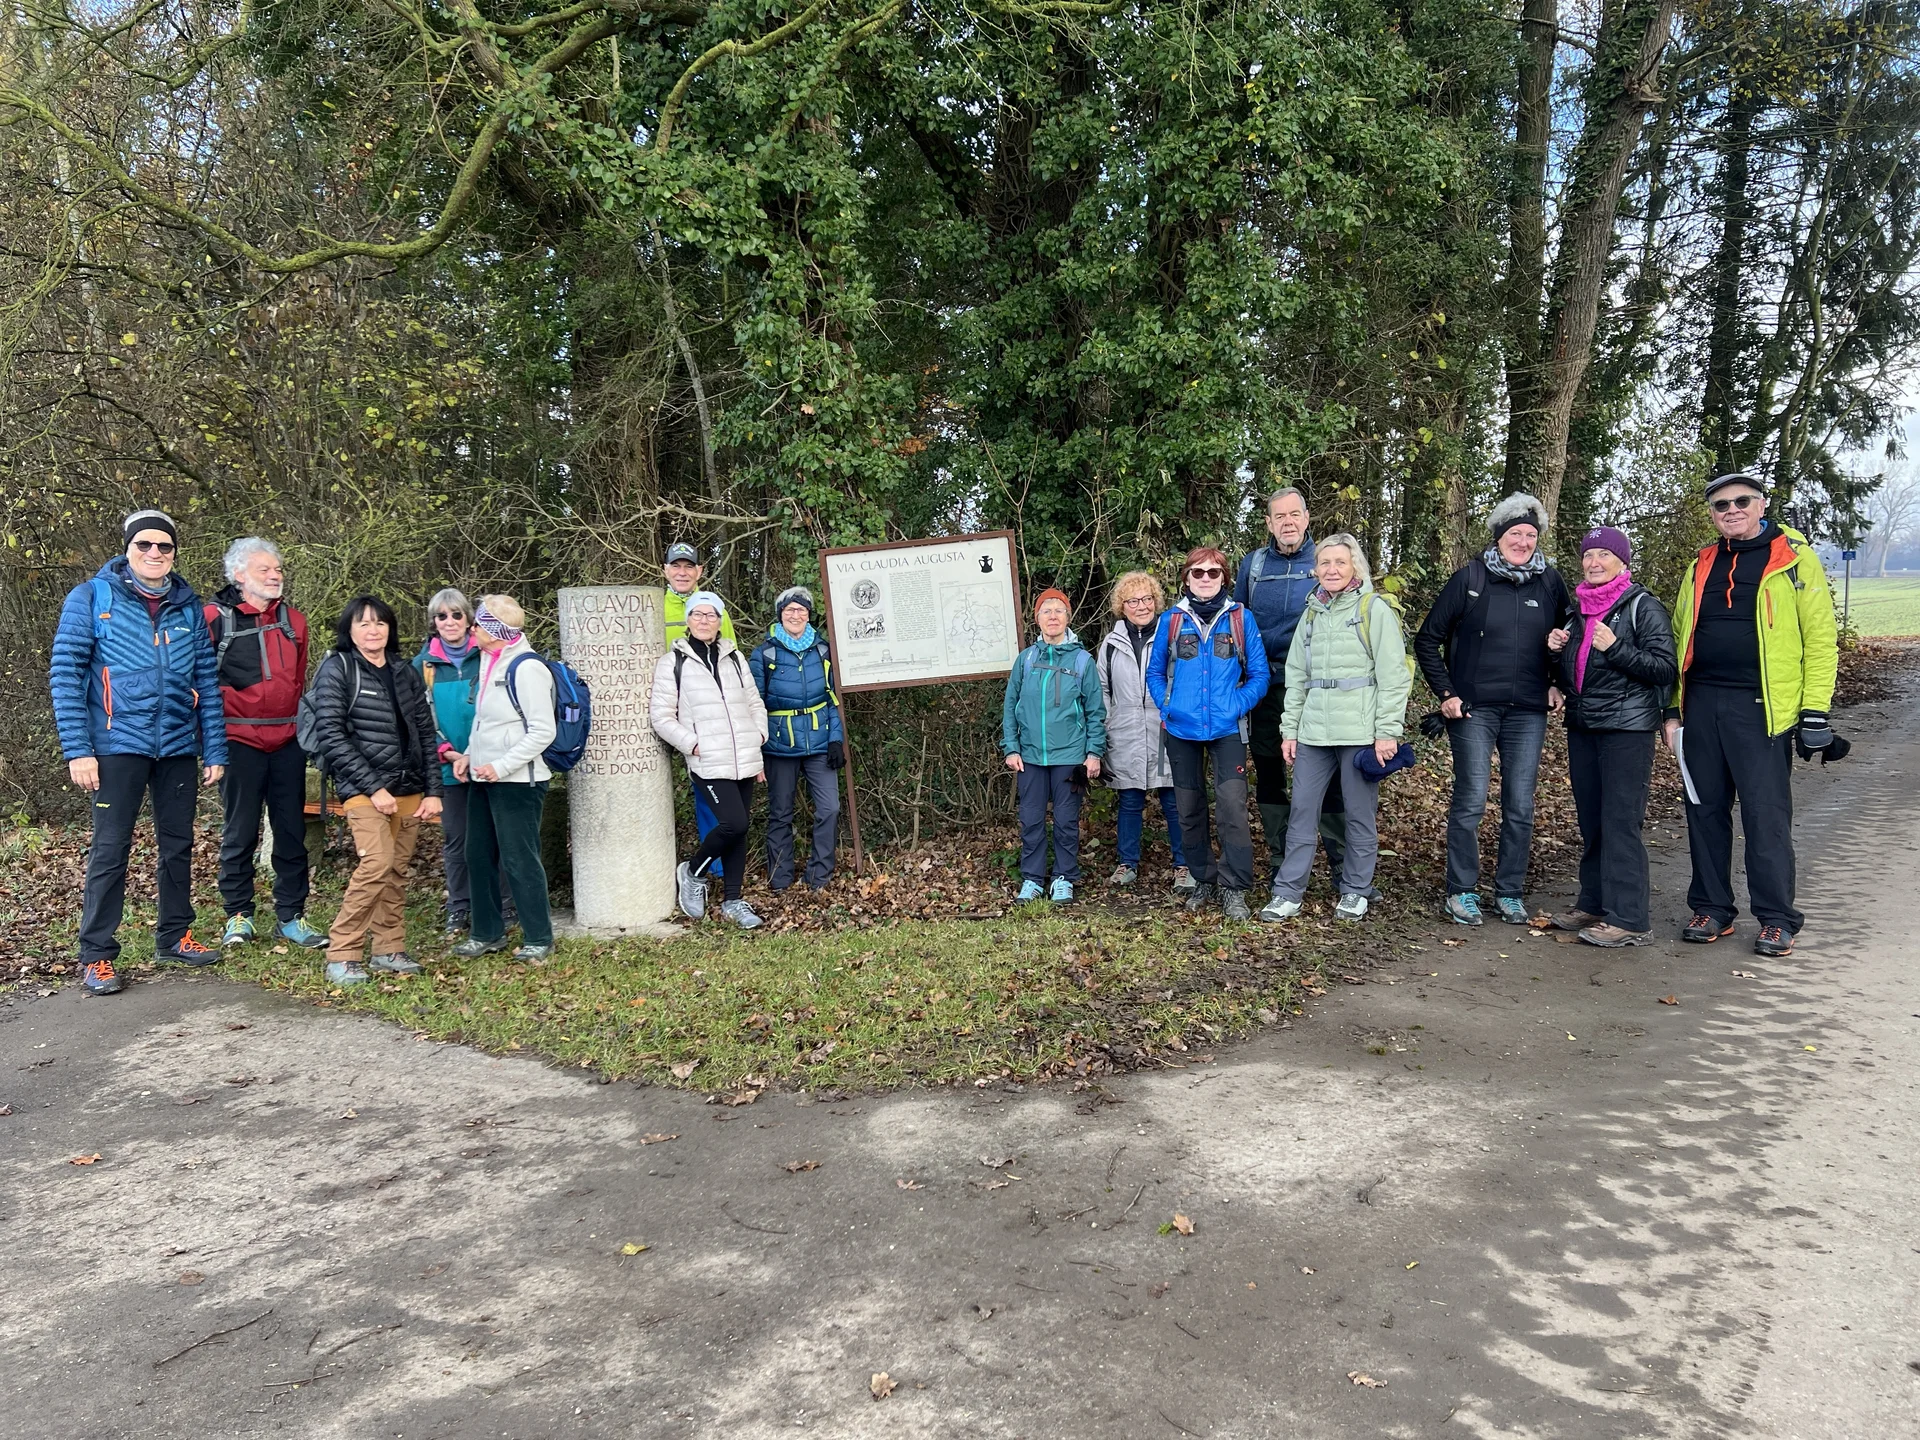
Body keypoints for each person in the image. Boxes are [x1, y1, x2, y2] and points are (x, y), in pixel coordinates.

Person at [50, 510, 228, 994]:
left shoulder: (189, 606)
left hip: (175, 745)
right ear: (128, 548)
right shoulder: (90, 597)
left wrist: (213, 747)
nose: (154, 554)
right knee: (110, 850)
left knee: (179, 845)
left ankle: (174, 935)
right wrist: (78, 750)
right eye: (145, 545)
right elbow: (66, 676)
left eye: (164, 547)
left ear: (174, 553)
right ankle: (97, 956)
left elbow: (206, 683)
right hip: (113, 745)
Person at [1664, 473, 1839, 957]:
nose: (1732, 510)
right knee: (1704, 812)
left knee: (1766, 817)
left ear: (1761, 504)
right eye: (1721, 505)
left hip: (1762, 710)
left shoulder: (1795, 561)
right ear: (1712, 514)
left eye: (1742, 501)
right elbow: (1680, 635)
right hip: (1701, 706)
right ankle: (1712, 908)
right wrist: (1673, 708)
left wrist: (1815, 712)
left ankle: (1778, 918)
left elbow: (1820, 642)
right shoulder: (1701, 563)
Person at [1414, 492, 1571, 926]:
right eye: (1514, 534)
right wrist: (1445, 693)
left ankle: (1510, 891)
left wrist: (1557, 683)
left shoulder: (1550, 582)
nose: (1522, 541)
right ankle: (1461, 891)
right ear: (1499, 537)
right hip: (1474, 710)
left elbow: (1568, 638)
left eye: (1530, 535)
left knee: (1520, 804)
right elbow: (1427, 639)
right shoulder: (1471, 578)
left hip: (1528, 713)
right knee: (1471, 801)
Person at [1264, 535, 1411, 921]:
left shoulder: (1372, 609)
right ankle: (1287, 892)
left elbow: (1393, 676)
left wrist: (1387, 731)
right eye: (1324, 562)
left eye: (1339, 563)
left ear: (1354, 568)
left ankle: (1355, 889)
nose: (1331, 569)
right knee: (1301, 811)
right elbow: (1296, 676)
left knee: (1358, 814)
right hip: (1314, 732)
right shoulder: (1311, 613)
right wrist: (1290, 730)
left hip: (1360, 732)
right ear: (1316, 568)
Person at [1544, 527, 1678, 947]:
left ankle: (1630, 919)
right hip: (1584, 727)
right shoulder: (1577, 611)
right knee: (1593, 821)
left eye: (1604, 554)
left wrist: (1616, 646)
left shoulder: (1642, 606)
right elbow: (1576, 673)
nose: (1594, 562)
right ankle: (1594, 902)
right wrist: (1554, 654)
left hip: (1627, 729)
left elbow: (1664, 670)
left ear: (1623, 562)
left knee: (1621, 823)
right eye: (1588, 555)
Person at [307, 596, 441, 984]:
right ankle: (343, 951)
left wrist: (433, 790)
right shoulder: (338, 669)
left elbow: (425, 735)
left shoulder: (404, 672)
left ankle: (389, 949)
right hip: (364, 789)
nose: (373, 630)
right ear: (349, 629)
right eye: (364, 623)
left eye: (380, 623)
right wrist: (373, 787)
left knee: (396, 870)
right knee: (376, 863)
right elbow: (330, 735)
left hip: (409, 788)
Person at [206, 537, 328, 951]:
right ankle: (238, 915)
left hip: (288, 741)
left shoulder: (295, 621)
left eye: (278, 569)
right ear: (239, 576)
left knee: (291, 831)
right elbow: (197, 686)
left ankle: (291, 915)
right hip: (237, 740)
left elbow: (299, 683)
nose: (275, 575)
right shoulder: (212, 618)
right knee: (239, 832)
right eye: (264, 570)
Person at [1145, 547, 1271, 921]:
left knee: (1232, 809)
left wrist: (1235, 705)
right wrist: (1167, 706)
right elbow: (1154, 673)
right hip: (1181, 729)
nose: (1205, 578)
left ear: (1224, 578)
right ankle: (1203, 879)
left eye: (1213, 573)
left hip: (1227, 729)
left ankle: (1234, 889)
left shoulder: (1239, 619)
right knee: (1189, 809)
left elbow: (1260, 675)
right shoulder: (1171, 620)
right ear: (1186, 578)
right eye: (1197, 572)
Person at [1233, 486, 1345, 882]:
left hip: (1316, 687)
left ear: (1307, 518)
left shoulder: (1326, 562)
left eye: (1294, 515)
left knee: (1328, 774)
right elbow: (1237, 624)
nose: (1288, 523)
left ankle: (1340, 863)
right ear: (1268, 523)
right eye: (1279, 517)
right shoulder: (1254, 565)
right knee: (1268, 772)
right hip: (1264, 686)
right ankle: (1281, 857)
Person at [448, 596, 559, 962]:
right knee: (476, 854)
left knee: (519, 859)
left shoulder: (527, 668)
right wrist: (469, 756)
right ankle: (486, 933)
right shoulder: (488, 661)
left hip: (518, 782)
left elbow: (543, 731)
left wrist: (502, 765)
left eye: (478, 624)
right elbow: (490, 725)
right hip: (484, 778)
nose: (471, 629)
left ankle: (539, 937)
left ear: (495, 632)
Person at [651, 591, 769, 928]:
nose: (705, 621)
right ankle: (693, 871)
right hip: (707, 760)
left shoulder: (734, 658)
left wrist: (759, 735)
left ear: (720, 621)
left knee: (739, 831)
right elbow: (662, 717)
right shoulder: (672, 662)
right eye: (698, 615)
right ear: (688, 620)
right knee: (735, 823)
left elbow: (754, 702)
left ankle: (733, 900)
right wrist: (692, 743)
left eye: (711, 615)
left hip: (744, 756)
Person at [1002, 588, 1107, 903]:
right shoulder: (1026, 660)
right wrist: (1011, 747)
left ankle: (1064, 877)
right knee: (1031, 820)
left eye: (1058, 610)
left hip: (1070, 757)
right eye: (1046, 611)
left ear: (1068, 617)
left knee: (1065, 821)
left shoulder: (1082, 660)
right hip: (1030, 757)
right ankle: (1032, 879)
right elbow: (1010, 706)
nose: (1052, 616)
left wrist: (1093, 753)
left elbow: (1095, 712)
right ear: (1037, 618)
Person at [1096, 572, 1190, 890]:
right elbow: (1102, 691)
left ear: (1156, 602)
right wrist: (1109, 725)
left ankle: (1183, 865)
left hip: (1165, 729)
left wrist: (1175, 716)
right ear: (1122, 606)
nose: (1141, 606)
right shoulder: (1111, 644)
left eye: (1147, 599)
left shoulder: (1171, 635)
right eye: (1133, 600)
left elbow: (1182, 680)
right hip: (1124, 732)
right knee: (1130, 800)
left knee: (1173, 799)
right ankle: (1127, 864)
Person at [750, 585, 844, 892]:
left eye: (801, 609)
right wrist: (756, 750)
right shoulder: (764, 653)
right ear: (780, 614)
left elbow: (832, 698)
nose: (795, 614)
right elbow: (753, 705)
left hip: (818, 743)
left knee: (829, 808)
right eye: (789, 609)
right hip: (779, 746)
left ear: (808, 614)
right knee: (780, 814)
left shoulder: (822, 650)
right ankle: (780, 878)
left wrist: (836, 740)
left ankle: (819, 877)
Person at [414, 589, 489, 937]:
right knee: (457, 840)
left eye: (457, 615)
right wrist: (448, 752)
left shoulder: (487, 656)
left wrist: (475, 752)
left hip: (488, 762)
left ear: (468, 619)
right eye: (442, 616)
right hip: (446, 767)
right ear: (434, 622)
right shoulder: (422, 666)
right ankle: (459, 906)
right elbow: (416, 720)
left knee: (494, 837)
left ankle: (503, 905)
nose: (450, 622)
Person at [661, 541, 736, 878]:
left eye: (688, 567)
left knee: (711, 791)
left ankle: (715, 870)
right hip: (670, 714)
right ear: (665, 570)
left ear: (699, 572)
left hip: (708, 716)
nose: (682, 572)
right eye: (676, 566)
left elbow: (731, 659)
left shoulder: (715, 610)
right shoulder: (652, 606)